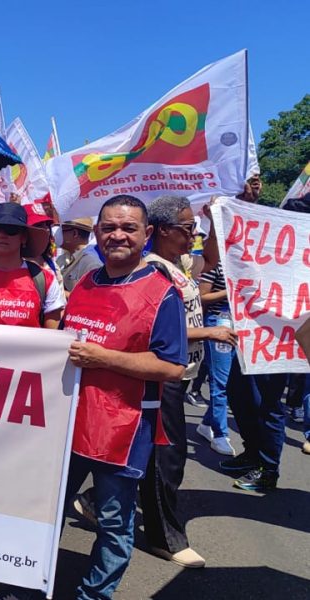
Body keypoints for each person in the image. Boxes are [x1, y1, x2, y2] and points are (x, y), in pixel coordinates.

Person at [62, 194, 187, 600]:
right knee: (49, 509)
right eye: (109, 227)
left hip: (122, 430)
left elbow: (172, 367)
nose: (117, 235)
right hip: (69, 422)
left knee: (114, 524)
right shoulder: (85, 282)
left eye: (128, 228)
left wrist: (104, 358)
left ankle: (93, 595)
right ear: (97, 233)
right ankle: (35, 581)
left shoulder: (162, 293)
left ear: (146, 234)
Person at [140, 195, 232, 569]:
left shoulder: (179, 264)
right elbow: (159, 330)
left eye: (195, 227)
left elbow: (210, 258)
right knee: (168, 458)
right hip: (164, 377)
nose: (194, 234)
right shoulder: (153, 269)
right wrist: (208, 332)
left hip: (182, 374)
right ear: (163, 230)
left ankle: (97, 500)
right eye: (188, 227)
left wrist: (213, 219)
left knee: (159, 454)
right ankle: (164, 538)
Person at [220, 175, 290, 493]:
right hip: (250, 334)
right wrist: (246, 203)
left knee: (268, 404)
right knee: (239, 393)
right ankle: (252, 453)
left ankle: (268, 469)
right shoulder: (270, 247)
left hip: (279, 341)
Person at [196, 263, 236, 453]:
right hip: (219, 321)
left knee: (232, 381)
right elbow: (202, 296)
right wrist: (230, 292)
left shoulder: (250, 264)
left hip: (241, 324)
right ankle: (220, 434)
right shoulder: (217, 264)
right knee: (221, 382)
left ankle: (206, 424)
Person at [56, 217, 103, 294]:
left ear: (75, 233)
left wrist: (59, 293)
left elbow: (92, 297)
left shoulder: (91, 263)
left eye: (62, 230)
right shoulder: (61, 259)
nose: (58, 234)